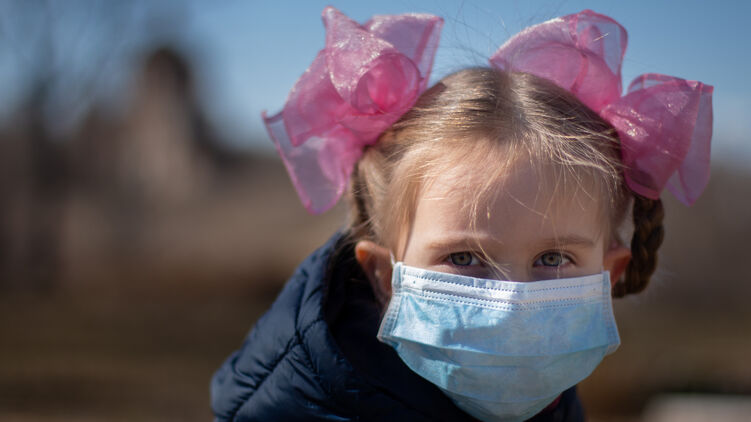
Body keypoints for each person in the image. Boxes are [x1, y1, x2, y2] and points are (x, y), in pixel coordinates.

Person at [211, 7, 713, 422]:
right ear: (384, 275)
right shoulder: (295, 407)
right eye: (465, 257)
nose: (510, 306)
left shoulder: (556, 404)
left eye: (554, 258)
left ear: (608, 275)